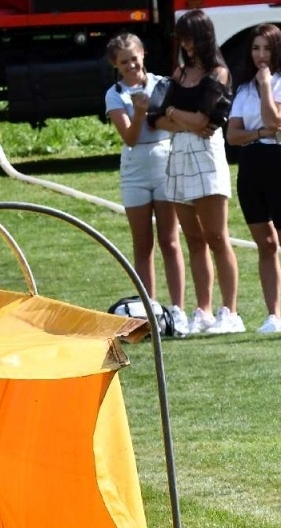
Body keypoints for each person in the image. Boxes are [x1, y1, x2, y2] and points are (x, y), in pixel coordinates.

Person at [151, 9, 243, 335]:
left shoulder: (218, 74)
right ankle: (202, 311)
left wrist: (175, 113)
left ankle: (229, 311)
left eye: (190, 37)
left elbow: (205, 121)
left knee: (217, 236)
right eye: (182, 37)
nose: (185, 44)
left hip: (206, 155)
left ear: (203, 37)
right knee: (193, 239)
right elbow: (157, 118)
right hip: (178, 154)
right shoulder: (178, 74)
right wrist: (179, 116)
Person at [228, 24, 281, 334]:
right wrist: (261, 133)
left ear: (278, 50)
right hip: (251, 164)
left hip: (280, 163)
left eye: (266, 48)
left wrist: (265, 86)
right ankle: (272, 315)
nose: (261, 55)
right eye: (255, 49)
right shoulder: (243, 89)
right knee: (264, 243)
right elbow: (233, 135)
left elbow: (277, 118)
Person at [105, 33, 189, 338]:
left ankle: (177, 310)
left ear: (143, 54)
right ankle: (150, 310)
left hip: (166, 162)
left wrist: (151, 114)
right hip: (135, 168)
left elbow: (174, 122)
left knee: (170, 240)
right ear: (115, 64)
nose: (130, 65)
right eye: (123, 61)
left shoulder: (162, 84)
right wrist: (140, 112)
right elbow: (129, 137)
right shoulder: (114, 94)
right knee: (143, 244)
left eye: (134, 58)